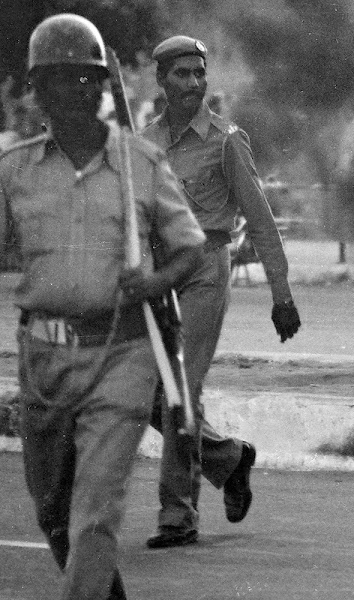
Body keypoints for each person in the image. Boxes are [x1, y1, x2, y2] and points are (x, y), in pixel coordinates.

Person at [0, 14, 205, 599]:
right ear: (36, 91)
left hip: (123, 355)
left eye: (81, 79)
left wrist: (155, 280)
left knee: (96, 509)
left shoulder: (141, 164)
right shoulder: (13, 172)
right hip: (42, 361)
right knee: (54, 515)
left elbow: (193, 251)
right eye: (53, 81)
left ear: (98, 88)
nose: (68, 92)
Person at [141, 35, 302, 549]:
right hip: (158, 272)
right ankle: (229, 459)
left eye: (199, 73)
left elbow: (260, 219)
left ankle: (177, 516)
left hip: (207, 268)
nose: (192, 83)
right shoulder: (143, 143)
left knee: (179, 392)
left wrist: (282, 293)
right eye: (181, 74)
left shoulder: (226, 139)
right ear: (161, 81)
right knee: (148, 394)